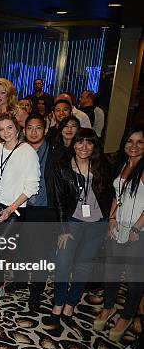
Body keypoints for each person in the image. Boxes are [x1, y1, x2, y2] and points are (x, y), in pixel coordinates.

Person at [51, 128, 113, 326]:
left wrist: (110, 220)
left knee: (83, 266)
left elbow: (114, 195)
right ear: (73, 144)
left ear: (94, 146)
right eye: (80, 142)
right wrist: (63, 229)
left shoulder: (103, 166)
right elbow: (59, 201)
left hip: (97, 224)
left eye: (89, 142)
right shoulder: (63, 167)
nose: (83, 147)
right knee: (62, 263)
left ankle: (71, 304)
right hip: (73, 223)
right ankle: (59, 302)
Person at [0, 113, 40, 320]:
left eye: (9, 128)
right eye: (1, 129)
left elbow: (32, 187)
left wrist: (10, 209)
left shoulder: (27, 152)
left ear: (17, 128)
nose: (5, 133)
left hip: (14, 209)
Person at [95, 126, 144, 342]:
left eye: (139, 142)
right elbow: (117, 195)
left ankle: (126, 315)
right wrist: (111, 219)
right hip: (119, 227)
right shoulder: (122, 165)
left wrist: (136, 228)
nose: (133, 146)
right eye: (130, 141)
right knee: (111, 272)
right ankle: (108, 308)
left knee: (134, 280)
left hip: (139, 231)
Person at [24, 115, 63, 312]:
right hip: (22, 208)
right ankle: (20, 281)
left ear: (45, 130)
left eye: (38, 128)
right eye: (29, 128)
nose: (33, 132)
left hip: (46, 210)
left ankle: (36, 292)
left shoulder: (57, 154)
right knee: (21, 249)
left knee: (41, 255)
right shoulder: (20, 151)